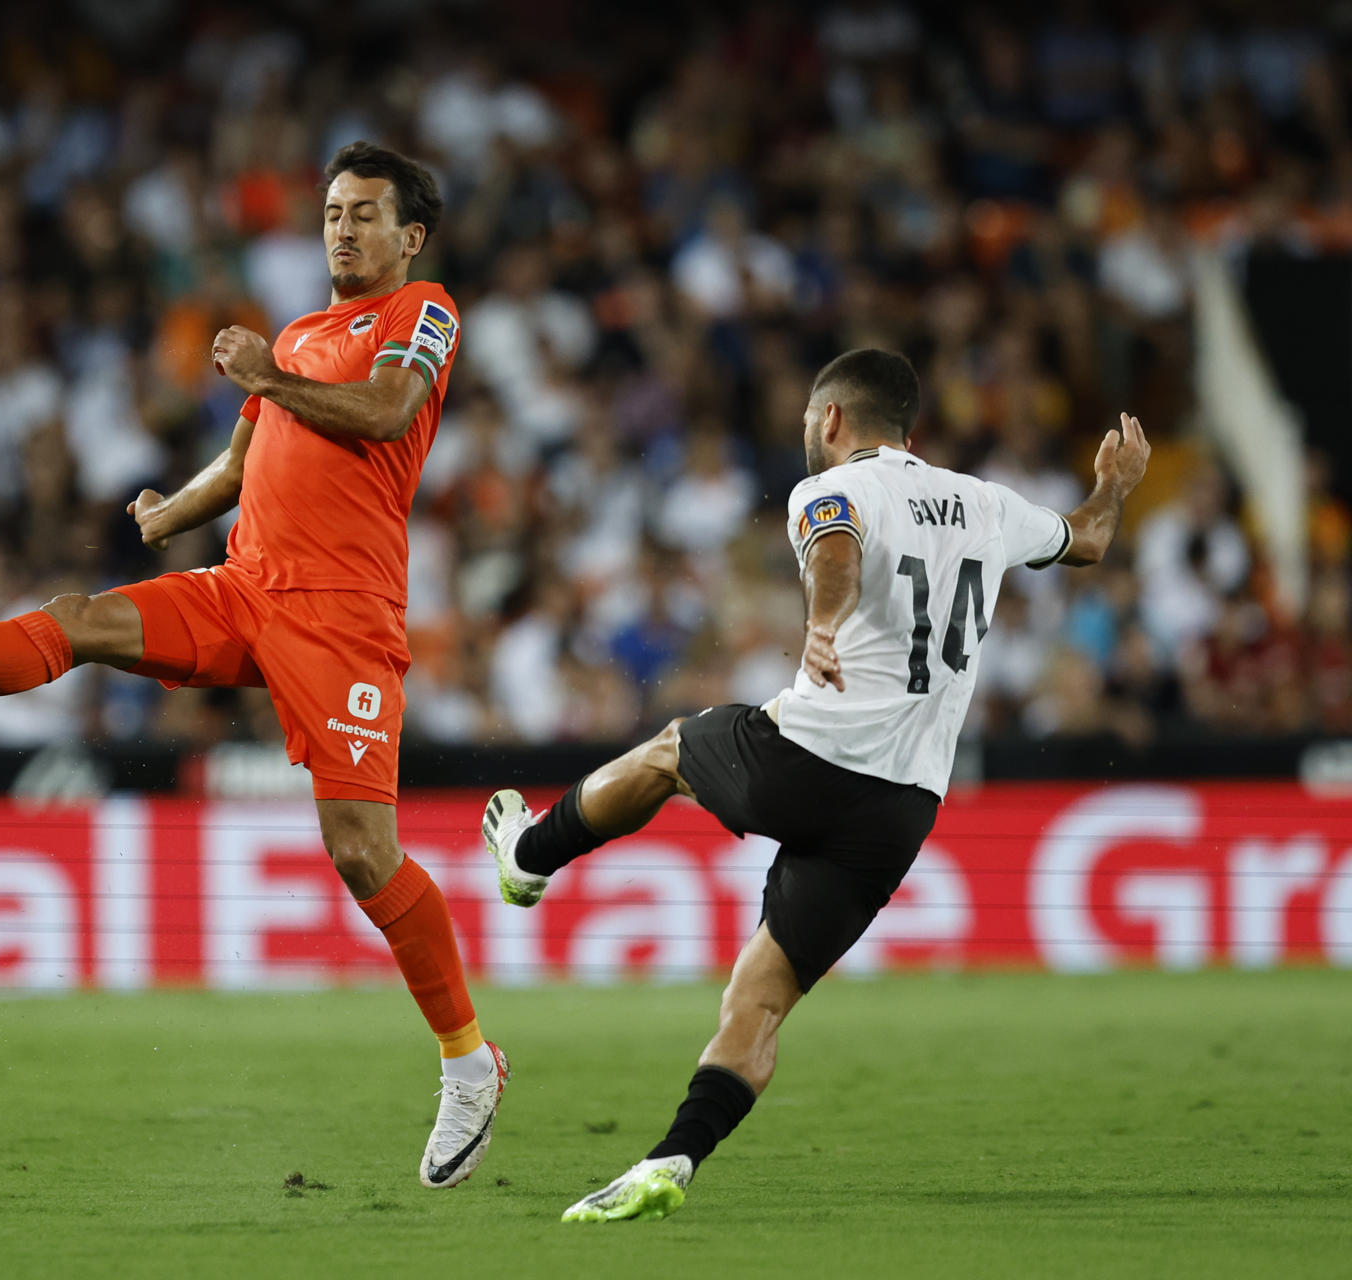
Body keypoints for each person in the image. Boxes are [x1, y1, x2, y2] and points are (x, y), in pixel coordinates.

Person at [0, 142, 509, 1188]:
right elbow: (248, 455)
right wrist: (176, 506)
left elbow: (388, 412)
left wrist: (264, 374)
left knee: (360, 851)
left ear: (411, 236)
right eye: (332, 212)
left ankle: (468, 1060)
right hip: (247, 583)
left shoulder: (420, 311)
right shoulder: (301, 333)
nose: (341, 228)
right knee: (80, 619)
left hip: (342, 613)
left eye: (364, 214)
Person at [482, 349, 1150, 1222]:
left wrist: (824, 624)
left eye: (809, 416)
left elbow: (836, 545)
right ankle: (673, 1160)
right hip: (904, 804)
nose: (805, 430)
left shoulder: (831, 489)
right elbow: (1089, 539)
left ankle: (528, 857)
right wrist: (1115, 487)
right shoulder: (989, 505)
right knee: (758, 1003)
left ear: (834, 418)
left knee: (669, 751)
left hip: (814, 755)